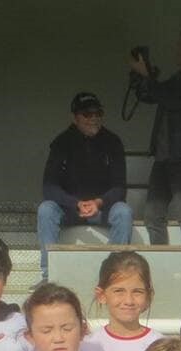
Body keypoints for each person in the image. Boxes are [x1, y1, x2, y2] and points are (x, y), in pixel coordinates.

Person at [128, 29, 181, 245]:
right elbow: (151, 95)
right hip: (164, 156)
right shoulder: (178, 78)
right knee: (152, 216)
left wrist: (148, 76)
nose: (177, 50)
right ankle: (161, 264)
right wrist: (140, 76)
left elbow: (172, 98)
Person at [36, 92, 131, 279]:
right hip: (70, 209)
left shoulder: (112, 141)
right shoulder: (61, 142)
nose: (94, 118)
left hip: (102, 208)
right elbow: (49, 187)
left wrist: (99, 202)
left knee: (124, 211)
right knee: (46, 209)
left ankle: (116, 275)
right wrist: (75, 203)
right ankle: (49, 276)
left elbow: (120, 187)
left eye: (98, 113)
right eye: (87, 114)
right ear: (75, 117)